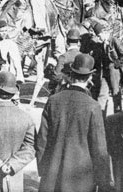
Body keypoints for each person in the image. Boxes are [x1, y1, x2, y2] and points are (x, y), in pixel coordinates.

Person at [36, 53, 112, 192]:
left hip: (53, 177)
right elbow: (99, 149)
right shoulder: (93, 106)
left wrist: (44, 171)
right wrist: (104, 182)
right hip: (81, 180)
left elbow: (42, 141)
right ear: (90, 77)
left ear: (71, 73)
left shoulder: (53, 100)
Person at [88, 22, 123, 113]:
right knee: (102, 95)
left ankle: (118, 116)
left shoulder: (114, 41)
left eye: (99, 35)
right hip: (105, 73)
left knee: (116, 94)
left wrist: (116, 64)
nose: (98, 38)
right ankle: (101, 118)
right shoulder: (101, 43)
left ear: (104, 32)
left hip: (115, 73)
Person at [47, 28, 81, 94]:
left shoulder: (63, 57)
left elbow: (57, 75)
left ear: (67, 41)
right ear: (78, 42)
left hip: (65, 89)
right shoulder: (82, 56)